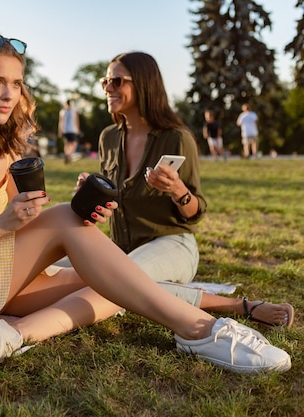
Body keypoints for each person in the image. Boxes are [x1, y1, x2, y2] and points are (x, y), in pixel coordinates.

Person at [0, 32, 291, 373]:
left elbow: (24, 233)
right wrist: (6, 224)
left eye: (16, 83)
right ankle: (199, 332)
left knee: (116, 280)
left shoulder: (9, 151)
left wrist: (70, 221)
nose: (9, 94)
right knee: (73, 226)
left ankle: (15, 334)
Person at [70, 51, 292, 331]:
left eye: (116, 81)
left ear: (144, 84)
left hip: (173, 244)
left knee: (117, 281)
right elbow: (112, 202)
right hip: (121, 250)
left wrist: (178, 189)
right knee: (61, 271)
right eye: (105, 82)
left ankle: (240, 306)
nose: (108, 88)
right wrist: (90, 194)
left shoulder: (176, 138)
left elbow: (195, 212)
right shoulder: (108, 137)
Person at [57, 99, 80, 163]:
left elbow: (76, 120)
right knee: (71, 144)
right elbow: (61, 122)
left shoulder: (72, 111)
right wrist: (60, 131)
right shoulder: (64, 112)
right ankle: (68, 155)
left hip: (69, 130)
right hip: (69, 130)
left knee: (69, 144)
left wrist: (60, 131)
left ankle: (67, 155)